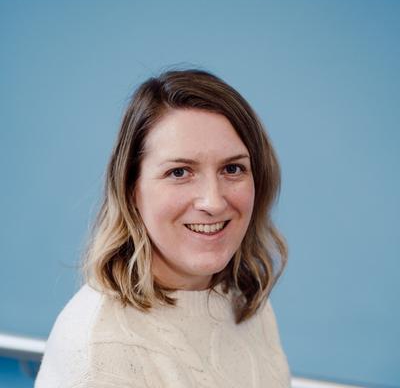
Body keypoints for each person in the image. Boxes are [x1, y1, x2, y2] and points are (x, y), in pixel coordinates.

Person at [35, 69, 291, 388]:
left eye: (232, 168)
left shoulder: (245, 298)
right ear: (132, 189)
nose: (212, 201)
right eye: (179, 172)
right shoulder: (101, 350)